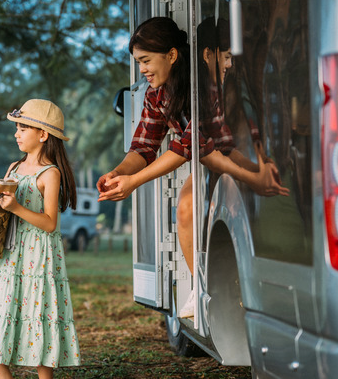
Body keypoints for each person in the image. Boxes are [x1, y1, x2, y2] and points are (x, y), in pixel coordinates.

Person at [97, 17, 288, 318]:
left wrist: (134, 182)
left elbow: (187, 145)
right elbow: (144, 146)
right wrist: (119, 173)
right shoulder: (156, 94)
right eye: (138, 62)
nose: (142, 69)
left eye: (146, 61)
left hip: (240, 154)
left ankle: (233, 291)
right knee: (186, 209)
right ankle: (203, 289)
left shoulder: (205, 83)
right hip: (213, 161)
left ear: (171, 55)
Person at [0, 99, 80, 379]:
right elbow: (4, 210)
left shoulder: (50, 173)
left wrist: (17, 208)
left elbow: (49, 223)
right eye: (17, 128)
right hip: (7, 252)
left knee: (38, 315)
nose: (16, 134)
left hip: (37, 257)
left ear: (43, 135)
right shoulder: (14, 166)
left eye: (23, 128)